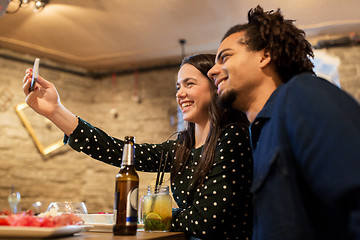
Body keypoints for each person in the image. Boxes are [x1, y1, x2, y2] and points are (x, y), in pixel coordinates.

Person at [22, 54, 253, 239]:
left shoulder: (232, 136)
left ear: (215, 87)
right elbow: (116, 151)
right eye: (177, 86)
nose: (180, 94)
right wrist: (55, 110)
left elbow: (205, 223)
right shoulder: (181, 147)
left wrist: (157, 216)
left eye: (189, 84)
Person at [207, 5, 360, 240]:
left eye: (225, 57)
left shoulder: (301, 94)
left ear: (265, 55)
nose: (212, 71)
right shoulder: (261, 133)